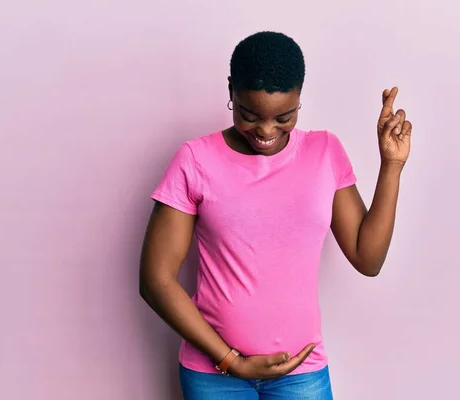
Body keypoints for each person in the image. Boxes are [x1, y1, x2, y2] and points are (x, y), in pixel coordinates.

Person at [139, 31, 411, 400]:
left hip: (301, 373)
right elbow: (155, 279)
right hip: (214, 375)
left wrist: (391, 166)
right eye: (249, 115)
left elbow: (368, 258)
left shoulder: (324, 152)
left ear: (300, 97)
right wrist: (230, 360)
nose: (266, 132)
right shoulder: (195, 160)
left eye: (284, 117)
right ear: (231, 89)